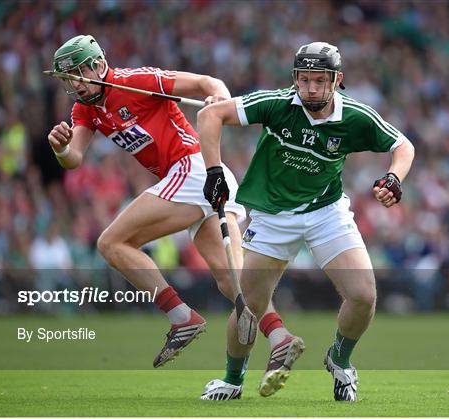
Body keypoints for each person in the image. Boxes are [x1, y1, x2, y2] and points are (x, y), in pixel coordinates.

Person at [47, 35, 301, 369]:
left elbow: (207, 83)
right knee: (231, 278)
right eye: (68, 79)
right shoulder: (86, 109)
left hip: (194, 169)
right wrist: (61, 148)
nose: (75, 85)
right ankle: (281, 337)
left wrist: (219, 101)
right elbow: (74, 158)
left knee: (111, 243)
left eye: (78, 74)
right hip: (194, 180)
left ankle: (182, 317)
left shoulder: (135, 81)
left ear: (97, 64)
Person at [198, 42, 415, 401]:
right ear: (295, 79)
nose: (311, 88)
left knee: (362, 295)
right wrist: (213, 171)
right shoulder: (278, 104)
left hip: (325, 212)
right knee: (248, 304)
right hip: (273, 217)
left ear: (336, 80)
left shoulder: (354, 117)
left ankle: (340, 361)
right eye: (303, 80)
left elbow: (402, 146)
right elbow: (210, 117)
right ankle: (232, 380)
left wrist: (393, 178)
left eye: (319, 80)